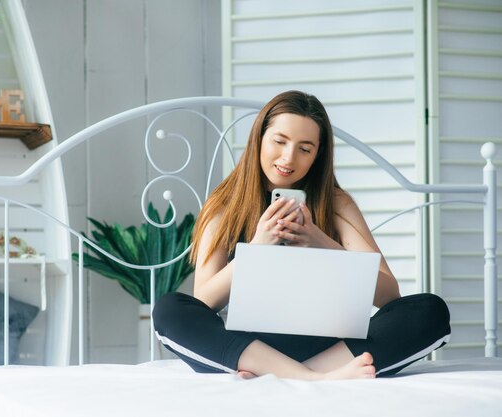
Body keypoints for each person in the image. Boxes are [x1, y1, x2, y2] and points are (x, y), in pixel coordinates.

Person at [152, 90, 451, 380]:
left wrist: (321, 242)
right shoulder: (224, 206)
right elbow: (202, 301)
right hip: (252, 347)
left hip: (329, 346)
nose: (288, 158)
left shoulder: (336, 203)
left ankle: (300, 373)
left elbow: (389, 297)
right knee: (169, 310)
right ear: (259, 139)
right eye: (279, 141)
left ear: (317, 155)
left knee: (430, 310)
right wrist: (257, 249)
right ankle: (313, 377)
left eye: (304, 149)